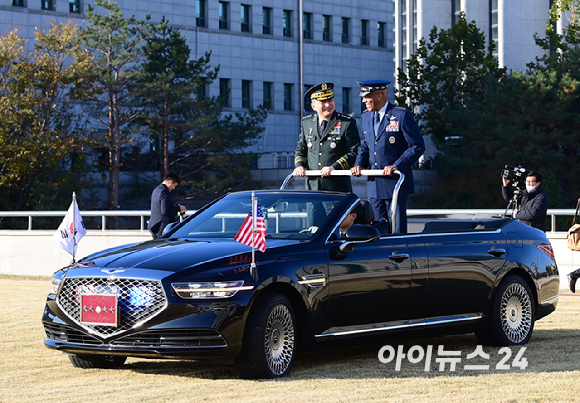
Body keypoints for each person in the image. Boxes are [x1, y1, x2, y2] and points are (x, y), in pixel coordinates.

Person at [351, 79, 425, 234]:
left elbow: (417, 146)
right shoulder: (365, 117)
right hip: (374, 184)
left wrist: (397, 165)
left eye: (367, 97)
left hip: (395, 184)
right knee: (378, 230)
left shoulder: (401, 114)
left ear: (379, 96)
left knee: (397, 230)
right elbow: (364, 146)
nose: (364, 100)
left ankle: (400, 257)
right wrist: (359, 164)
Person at [294, 82, 360, 193]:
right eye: (323, 101)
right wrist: (300, 165)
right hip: (313, 187)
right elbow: (301, 148)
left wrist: (334, 167)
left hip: (337, 187)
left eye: (330, 100)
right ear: (313, 106)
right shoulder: (307, 122)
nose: (328, 105)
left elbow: (353, 152)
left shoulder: (346, 122)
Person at [148, 172, 186, 239]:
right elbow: (165, 211)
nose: (174, 188)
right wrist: (178, 208)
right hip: (163, 228)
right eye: (174, 185)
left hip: (154, 226)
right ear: (170, 182)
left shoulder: (156, 190)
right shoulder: (165, 192)